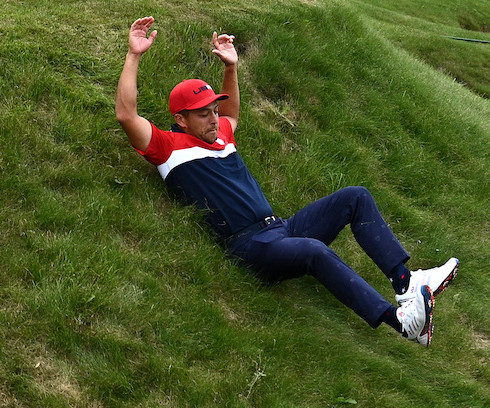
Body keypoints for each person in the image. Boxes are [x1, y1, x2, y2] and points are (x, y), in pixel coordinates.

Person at [115, 17, 457, 345]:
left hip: (280, 229)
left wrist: (231, 68)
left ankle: (405, 283)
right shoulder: (168, 148)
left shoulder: (222, 136)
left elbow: (231, 113)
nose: (214, 119)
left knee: (355, 196)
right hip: (250, 247)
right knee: (314, 251)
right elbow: (126, 114)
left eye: (214, 111)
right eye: (204, 114)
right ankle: (401, 323)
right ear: (181, 119)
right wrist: (134, 54)